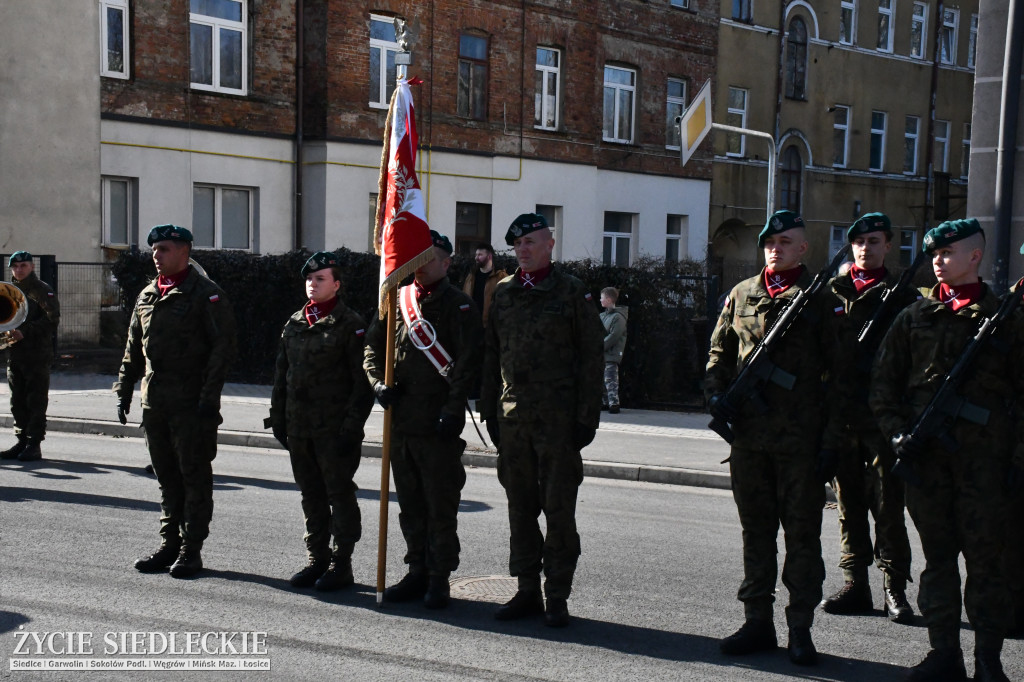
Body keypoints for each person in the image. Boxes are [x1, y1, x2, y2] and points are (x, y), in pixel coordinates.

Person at [870, 219, 1022, 682]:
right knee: (938, 561)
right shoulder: (913, 316)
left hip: (985, 466)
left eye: (948, 252)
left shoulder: (1007, 319)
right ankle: (944, 654)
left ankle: (988, 660)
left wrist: (1015, 460)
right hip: (927, 463)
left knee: (986, 564)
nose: (938, 260)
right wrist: (898, 434)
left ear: (975, 256)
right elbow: (882, 386)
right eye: (934, 253)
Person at [705, 210, 827, 666]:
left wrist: (831, 440)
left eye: (785, 240)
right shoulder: (742, 293)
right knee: (755, 534)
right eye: (768, 241)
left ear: (803, 248)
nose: (774, 247)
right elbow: (720, 351)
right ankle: (758, 621)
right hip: (750, 440)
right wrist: (716, 394)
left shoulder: (820, 299)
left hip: (800, 442)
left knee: (801, 537)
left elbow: (841, 374)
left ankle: (800, 628)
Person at [479, 212, 603, 628]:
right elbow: (492, 355)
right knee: (520, 509)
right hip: (513, 421)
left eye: (531, 242)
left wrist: (587, 419)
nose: (524, 250)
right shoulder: (504, 293)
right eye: (517, 245)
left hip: (559, 423)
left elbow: (591, 358)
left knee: (558, 510)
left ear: (550, 244)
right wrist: (489, 409)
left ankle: (558, 595)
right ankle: (527, 589)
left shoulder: (572, 293)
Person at [364, 230, 482, 609]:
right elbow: (371, 346)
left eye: (429, 256)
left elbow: (467, 363)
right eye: (415, 256)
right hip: (400, 422)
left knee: (439, 504)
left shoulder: (459, 305)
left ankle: (438, 577)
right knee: (410, 504)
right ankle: (416, 570)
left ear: (446, 263)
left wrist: (452, 411)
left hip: (437, 424)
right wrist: (378, 384)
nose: (419, 263)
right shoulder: (397, 300)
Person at [114, 225, 237, 579]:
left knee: (194, 477)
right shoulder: (147, 294)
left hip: (191, 404)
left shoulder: (206, 294)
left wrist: (208, 399)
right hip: (155, 404)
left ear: (184, 251)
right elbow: (133, 347)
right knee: (167, 478)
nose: (157, 255)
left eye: (164, 249)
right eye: (154, 249)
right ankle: (169, 544)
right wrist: (124, 388)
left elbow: (223, 350)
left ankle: (191, 549)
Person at [818, 213, 915, 624]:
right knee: (847, 505)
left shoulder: (905, 297)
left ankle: (894, 589)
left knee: (888, 506)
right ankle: (855, 583)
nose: (865, 248)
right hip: (840, 418)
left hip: (881, 420)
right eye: (858, 241)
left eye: (874, 241)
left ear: (888, 246)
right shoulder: (829, 293)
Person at [266, 251, 375, 591]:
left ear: (337, 285)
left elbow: (362, 384)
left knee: (339, 494)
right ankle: (318, 559)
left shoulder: (351, 325)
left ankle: (342, 563)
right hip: (300, 428)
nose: (312, 284)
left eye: (321, 278)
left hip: (334, 430)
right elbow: (282, 375)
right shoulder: (295, 322)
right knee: (311, 494)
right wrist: (278, 418)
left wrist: (352, 426)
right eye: (310, 279)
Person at [0, 252, 60, 462]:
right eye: (15, 266)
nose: (19, 269)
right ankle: (21, 441)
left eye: (23, 265)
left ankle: (34, 443)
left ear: (32, 267)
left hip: (37, 354)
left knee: (35, 400)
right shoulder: (8, 291)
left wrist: (26, 331)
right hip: (16, 353)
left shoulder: (42, 290)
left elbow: (52, 321)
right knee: (17, 400)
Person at [461, 242, 507, 329]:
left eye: (480, 255)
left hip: (491, 328)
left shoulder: (501, 277)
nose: (476, 258)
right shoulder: (471, 277)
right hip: (472, 327)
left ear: (489, 256)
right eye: (476, 255)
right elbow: (464, 299)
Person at [599, 287, 627, 414]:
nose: (600, 300)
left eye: (602, 297)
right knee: (602, 379)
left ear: (608, 299)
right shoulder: (603, 316)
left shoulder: (618, 317)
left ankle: (614, 403)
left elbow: (614, 336)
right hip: (603, 354)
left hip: (611, 354)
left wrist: (599, 345)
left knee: (610, 379)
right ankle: (605, 402)